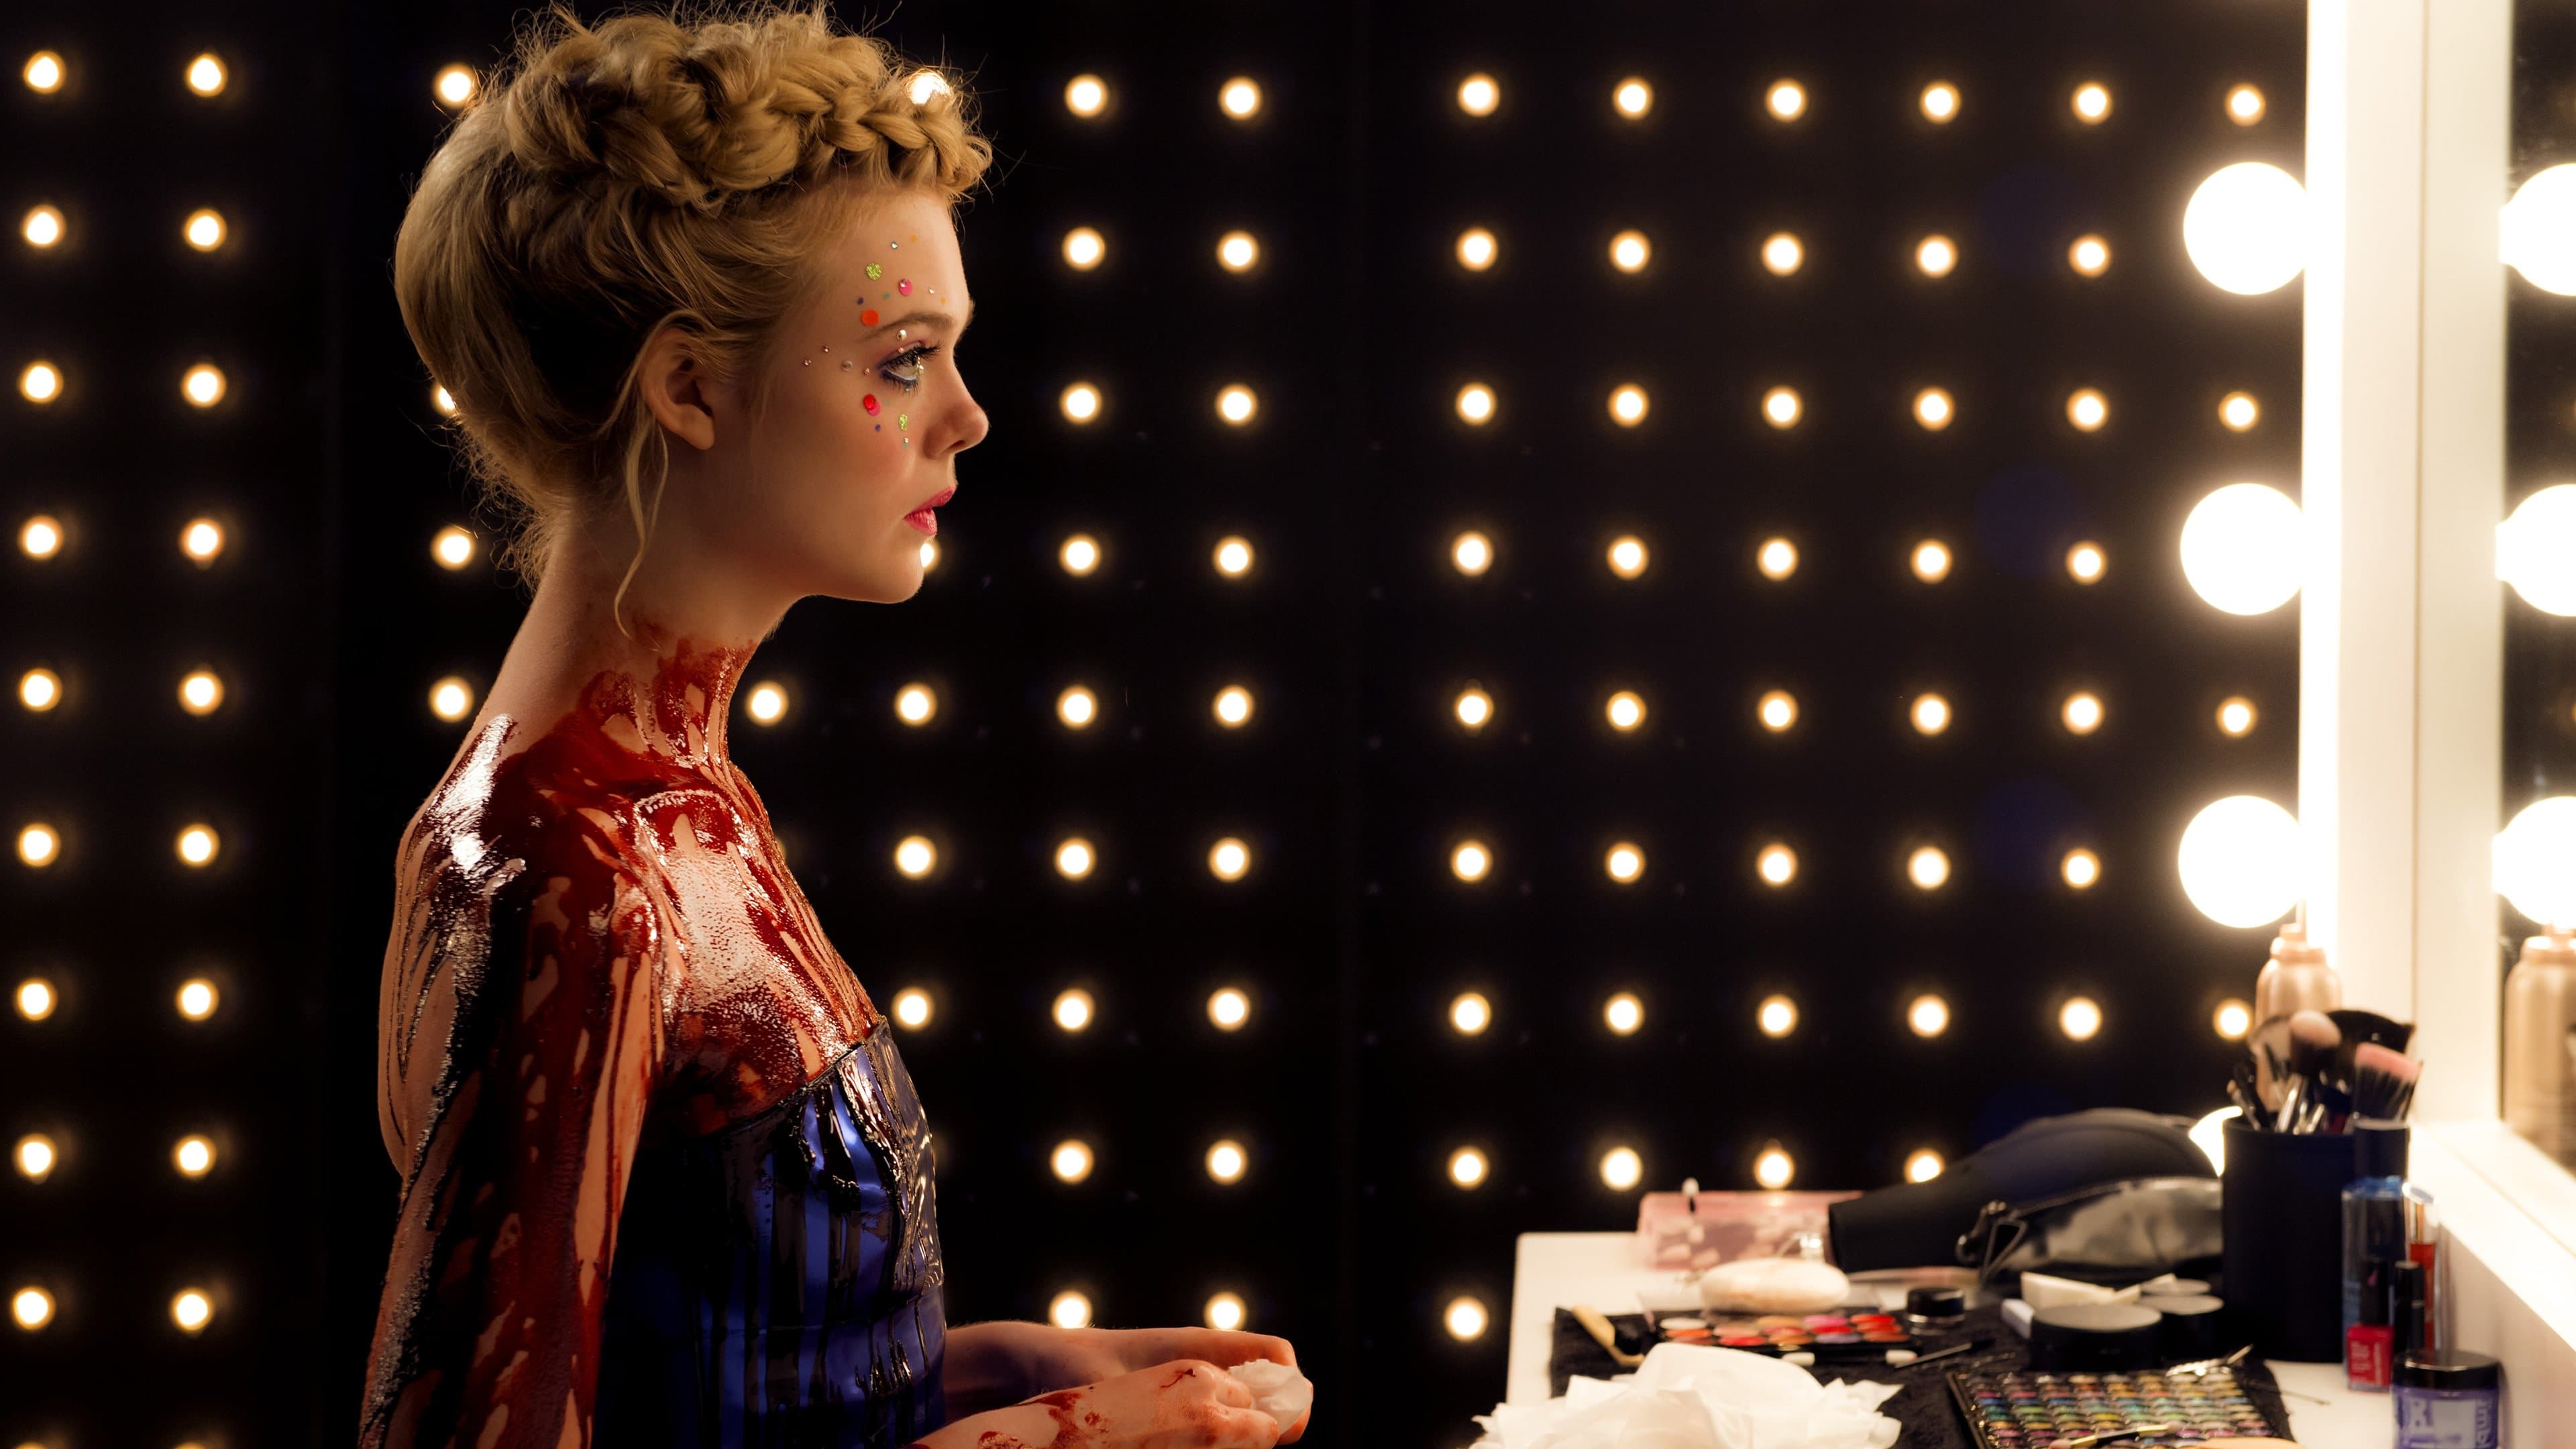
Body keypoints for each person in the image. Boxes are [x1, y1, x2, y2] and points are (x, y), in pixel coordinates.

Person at [362, 5, 1307, 1446]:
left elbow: (703, 1376)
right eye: (903, 358)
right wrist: (1065, 1440)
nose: (967, 418)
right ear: (690, 387)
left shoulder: (679, 798)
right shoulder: (570, 868)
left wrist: (993, 1371)